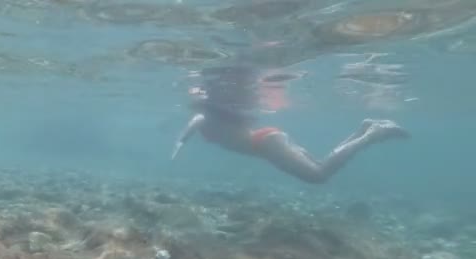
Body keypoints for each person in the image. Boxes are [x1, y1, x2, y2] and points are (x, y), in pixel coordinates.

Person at [170, 65, 410, 184]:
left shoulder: (201, 119)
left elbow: (185, 135)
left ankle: (374, 134)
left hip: (264, 144)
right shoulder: (209, 116)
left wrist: (177, 151)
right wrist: (179, 146)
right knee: (318, 165)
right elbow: (185, 134)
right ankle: (364, 129)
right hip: (265, 140)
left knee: (318, 175)